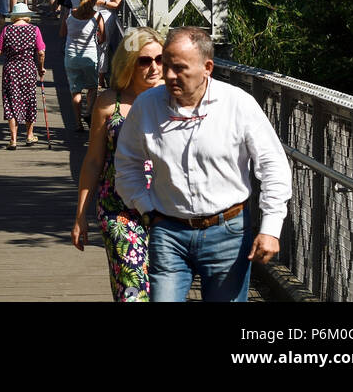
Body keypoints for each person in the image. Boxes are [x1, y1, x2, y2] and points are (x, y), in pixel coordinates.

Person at [115, 26, 292, 303]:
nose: (169, 75)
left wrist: (270, 228)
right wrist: (147, 208)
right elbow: (127, 164)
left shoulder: (237, 104)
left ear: (207, 67)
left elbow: (273, 166)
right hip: (169, 231)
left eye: (180, 68)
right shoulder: (147, 106)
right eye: (167, 65)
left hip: (228, 232)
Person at [71, 29, 164, 301]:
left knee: (163, 290)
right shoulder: (109, 102)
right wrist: (80, 216)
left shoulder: (174, 100)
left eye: (160, 59)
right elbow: (93, 161)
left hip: (167, 208)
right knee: (132, 289)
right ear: (128, 63)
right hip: (118, 209)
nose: (154, 67)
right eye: (144, 61)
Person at [0, 3, 45, 149]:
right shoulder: (35, 30)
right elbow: (41, 52)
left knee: (11, 101)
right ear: (27, 16)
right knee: (29, 100)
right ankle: (29, 135)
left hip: (11, 69)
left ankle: (13, 139)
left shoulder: (6, 30)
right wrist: (41, 68)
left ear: (14, 16)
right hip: (28, 68)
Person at [61, 0, 105, 132]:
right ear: (94, 1)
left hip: (71, 56)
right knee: (92, 88)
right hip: (89, 56)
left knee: (76, 91)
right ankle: (88, 113)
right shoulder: (97, 17)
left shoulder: (70, 13)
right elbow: (102, 38)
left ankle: (78, 122)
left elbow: (62, 33)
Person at [92, 0, 123, 71]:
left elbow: (117, 4)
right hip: (94, 15)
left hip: (106, 17)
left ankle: (100, 76)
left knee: (102, 45)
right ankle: (92, 75)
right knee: (93, 45)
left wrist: (102, 2)